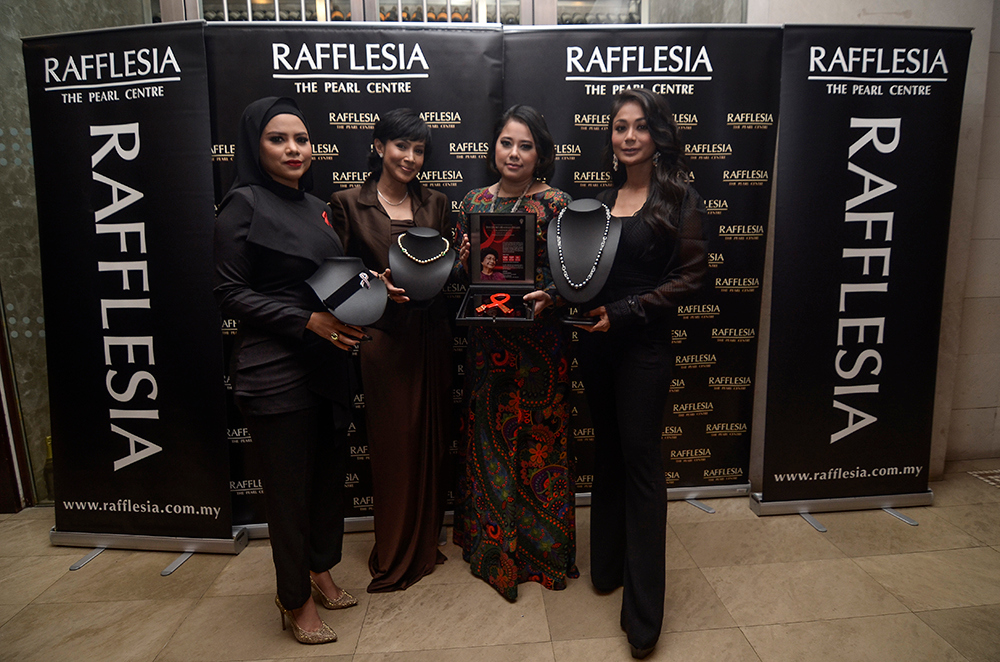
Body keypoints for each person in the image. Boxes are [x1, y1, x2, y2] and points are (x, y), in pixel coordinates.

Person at [214, 97, 361, 645]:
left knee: (326, 482)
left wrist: (369, 291)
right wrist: (307, 322)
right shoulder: (241, 206)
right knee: (289, 493)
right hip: (274, 372)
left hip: (327, 366)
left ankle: (320, 570)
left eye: (300, 138)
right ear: (255, 145)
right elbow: (229, 292)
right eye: (278, 139)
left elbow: (324, 280)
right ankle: (293, 599)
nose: (294, 148)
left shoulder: (319, 205)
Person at [575, 88, 707, 659]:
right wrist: (556, 297)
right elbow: (583, 274)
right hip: (596, 345)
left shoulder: (678, 197)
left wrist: (626, 312)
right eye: (619, 127)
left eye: (639, 127)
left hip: (644, 348)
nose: (628, 136)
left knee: (642, 467)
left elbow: (693, 277)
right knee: (606, 454)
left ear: (657, 135)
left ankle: (644, 614)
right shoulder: (601, 200)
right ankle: (606, 569)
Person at [453, 104, 577, 601]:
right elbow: (469, 280)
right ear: (494, 147)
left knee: (539, 449)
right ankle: (494, 557)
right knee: (491, 449)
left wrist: (553, 294)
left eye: (526, 145)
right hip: (488, 348)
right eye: (507, 142)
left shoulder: (558, 205)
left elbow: (575, 276)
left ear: (541, 154)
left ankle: (541, 556)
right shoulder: (473, 200)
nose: (514, 153)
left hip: (541, 350)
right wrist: (464, 265)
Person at [329, 108, 452, 592]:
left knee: (431, 443)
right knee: (394, 448)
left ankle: (423, 545)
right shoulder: (347, 203)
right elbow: (335, 277)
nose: (410, 157)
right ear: (379, 146)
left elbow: (444, 273)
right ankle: (395, 553)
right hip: (383, 339)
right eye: (401, 146)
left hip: (432, 336)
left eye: (419, 150)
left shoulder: (437, 203)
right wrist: (372, 284)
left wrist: (458, 264)